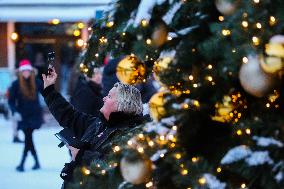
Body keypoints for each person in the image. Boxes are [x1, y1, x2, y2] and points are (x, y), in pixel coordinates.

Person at [41, 68, 144, 188]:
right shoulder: (98, 124)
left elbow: (116, 171)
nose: (104, 98)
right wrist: (49, 90)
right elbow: (69, 115)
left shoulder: (132, 135)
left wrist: (82, 156)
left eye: (110, 96)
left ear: (122, 105)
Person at [8, 59, 44, 172]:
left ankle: (22, 164)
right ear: (20, 72)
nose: (26, 73)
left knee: (28, 138)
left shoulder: (37, 82)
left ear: (31, 71)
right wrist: (15, 112)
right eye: (24, 71)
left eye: (28, 71)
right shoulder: (15, 84)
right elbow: (11, 101)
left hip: (34, 115)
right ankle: (35, 162)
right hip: (22, 115)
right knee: (29, 139)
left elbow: (47, 92)